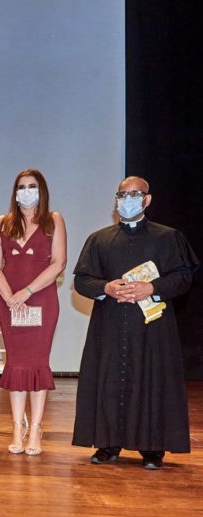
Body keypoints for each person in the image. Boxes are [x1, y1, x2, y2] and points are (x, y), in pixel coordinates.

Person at [73, 176, 198, 470]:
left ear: (147, 199)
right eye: (122, 194)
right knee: (109, 380)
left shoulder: (168, 237)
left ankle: (152, 448)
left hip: (152, 326)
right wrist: (106, 288)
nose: (127, 199)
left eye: (134, 194)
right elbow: (82, 279)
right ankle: (107, 444)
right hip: (111, 324)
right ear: (116, 200)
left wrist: (151, 288)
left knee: (151, 380)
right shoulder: (99, 239)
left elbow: (184, 276)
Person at [0, 169, 67, 456]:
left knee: (36, 363)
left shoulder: (53, 220)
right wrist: (10, 296)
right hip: (10, 303)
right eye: (21, 186)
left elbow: (58, 263)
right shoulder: (2, 223)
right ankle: (16, 427)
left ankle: (35, 427)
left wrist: (27, 292)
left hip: (41, 301)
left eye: (32, 186)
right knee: (17, 363)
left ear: (41, 190)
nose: (26, 191)